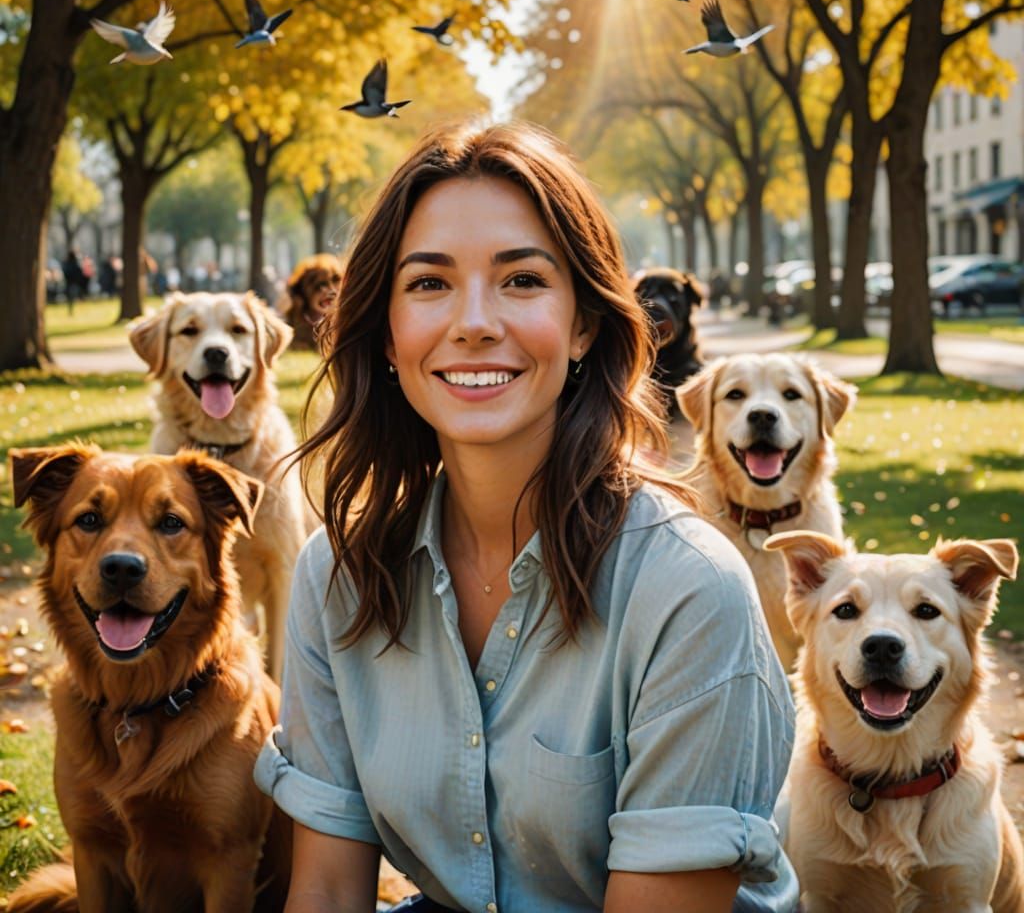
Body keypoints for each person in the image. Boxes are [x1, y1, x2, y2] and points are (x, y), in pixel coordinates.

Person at [255, 121, 797, 913]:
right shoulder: (334, 576)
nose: (474, 321)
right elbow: (330, 891)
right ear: (387, 335)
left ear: (583, 324)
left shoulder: (689, 594)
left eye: (521, 280)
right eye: (430, 283)